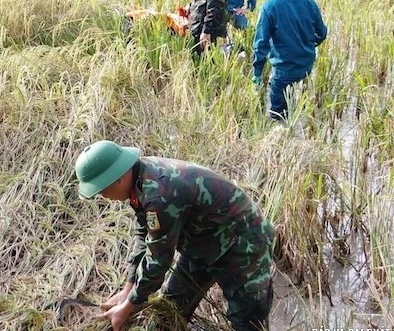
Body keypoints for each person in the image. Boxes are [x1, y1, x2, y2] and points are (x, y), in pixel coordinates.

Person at [75, 140, 275, 331]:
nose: (104, 197)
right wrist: (128, 289)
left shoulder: (159, 194)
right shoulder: (138, 179)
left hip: (242, 244)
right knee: (172, 309)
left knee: (247, 322)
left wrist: (129, 306)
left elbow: (158, 260)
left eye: (102, 190)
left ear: (117, 177)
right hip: (201, 242)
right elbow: (144, 233)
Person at [252, 0, 328, 121]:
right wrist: (306, 45)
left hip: (283, 70)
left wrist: (257, 72)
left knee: (278, 116)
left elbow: (261, 43)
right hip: (306, 66)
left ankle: (282, 140)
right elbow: (321, 33)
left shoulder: (269, 7)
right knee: (302, 107)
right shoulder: (309, 3)